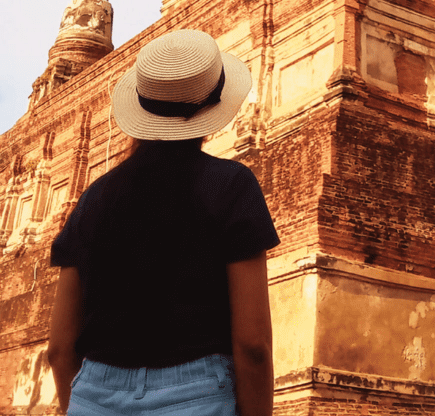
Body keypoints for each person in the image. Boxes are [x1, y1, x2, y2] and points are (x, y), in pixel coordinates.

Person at [47, 28, 279, 416]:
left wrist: (88, 402)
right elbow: (253, 344)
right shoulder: (231, 185)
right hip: (197, 396)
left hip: (92, 396)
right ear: (212, 107)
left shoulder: (92, 200)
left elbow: (58, 348)